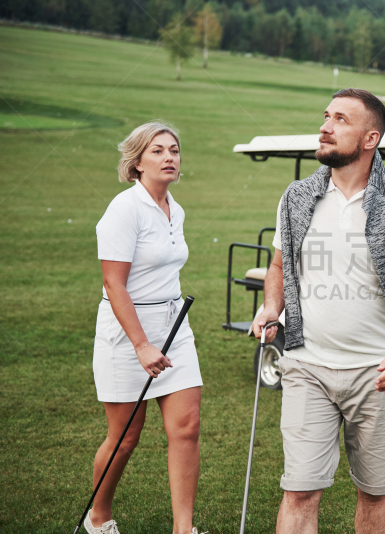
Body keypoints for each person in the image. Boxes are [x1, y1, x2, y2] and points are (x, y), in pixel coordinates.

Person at [252, 88, 385, 534]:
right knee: (299, 490)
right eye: (325, 116)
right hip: (306, 365)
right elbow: (279, 264)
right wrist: (271, 306)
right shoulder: (295, 198)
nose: (325, 126)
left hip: (376, 374)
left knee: (374, 491)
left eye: (340, 120)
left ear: (370, 138)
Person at [87, 122, 202, 534]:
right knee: (125, 436)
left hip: (174, 327)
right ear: (137, 163)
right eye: (158, 151)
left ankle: (183, 529)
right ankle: (98, 516)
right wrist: (140, 344)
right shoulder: (124, 208)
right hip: (126, 333)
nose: (169, 157)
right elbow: (113, 283)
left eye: (174, 149)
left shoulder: (177, 208)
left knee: (187, 427)